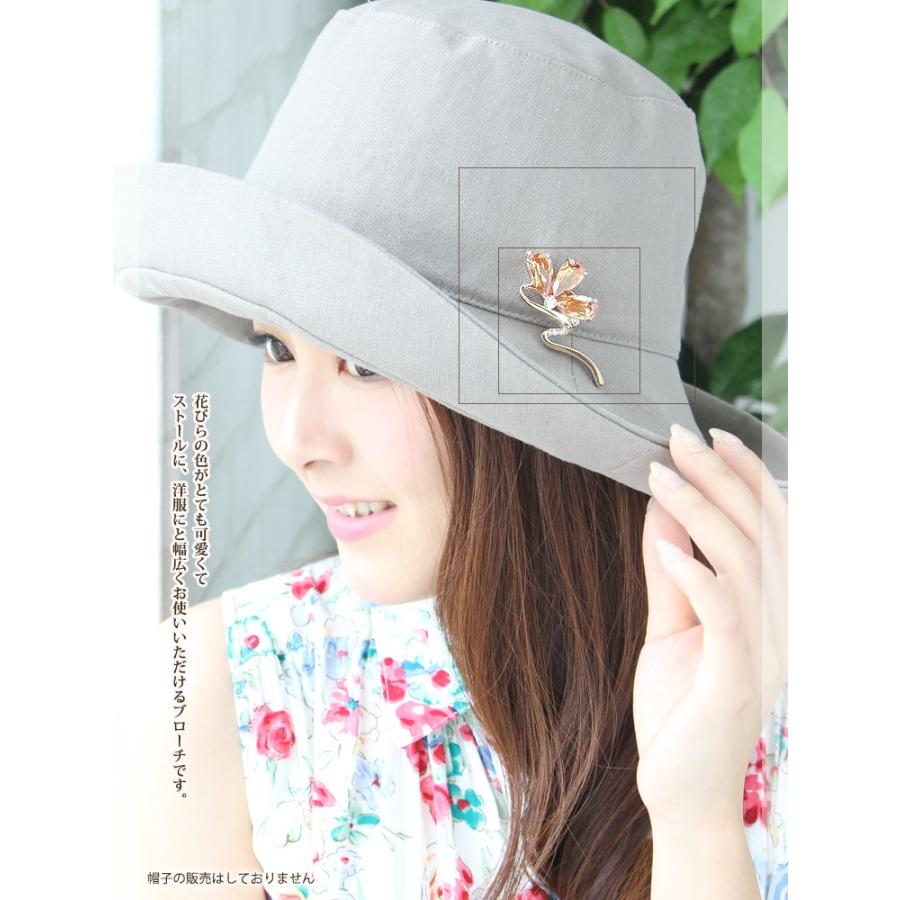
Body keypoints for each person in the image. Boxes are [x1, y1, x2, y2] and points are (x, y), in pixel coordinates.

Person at [111, 2, 788, 898]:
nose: (296, 439)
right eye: (277, 347)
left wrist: (696, 818)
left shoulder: (779, 680)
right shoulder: (217, 700)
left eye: (365, 363)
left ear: (540, 432)